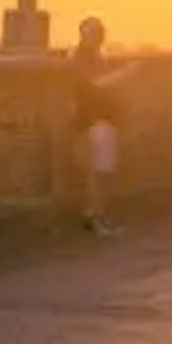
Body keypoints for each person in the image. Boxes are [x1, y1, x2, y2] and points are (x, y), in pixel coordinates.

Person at [70, 17, 131, 237]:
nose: (100, 37)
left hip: (99, 121)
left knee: (101, 174)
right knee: (97, 174)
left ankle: (98, 217)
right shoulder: (82, 58)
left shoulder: (92, 56)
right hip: (93, 123)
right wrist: (127, 73)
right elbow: (97, 83)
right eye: (97, 33)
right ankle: (95, 218)